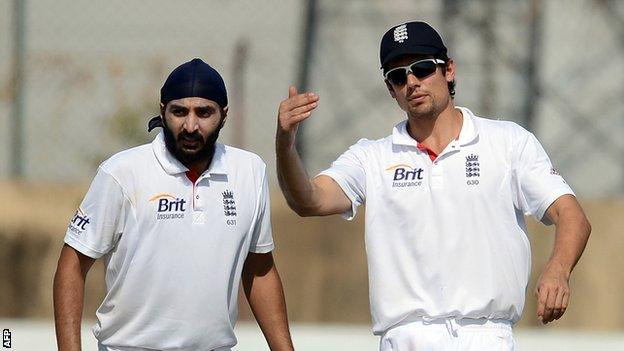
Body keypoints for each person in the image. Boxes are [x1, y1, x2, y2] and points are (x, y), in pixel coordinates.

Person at [275, 21, 591, 351]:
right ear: (391, 89)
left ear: (449, 70)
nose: (411, 82)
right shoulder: (372, 156)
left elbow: (571, 215)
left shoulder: (509, 142)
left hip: (486, 335)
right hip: (406, 337)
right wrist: (285, 145)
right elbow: (308, 200)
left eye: (422, 68)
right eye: (398, 76)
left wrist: (558, 270)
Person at [54, 58, 294, 351]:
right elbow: (72, 265)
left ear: (224, 115)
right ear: (162, 111)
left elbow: (259, 269)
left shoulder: (249, 171)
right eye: (179, 112)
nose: (190, 125)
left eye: (204, 112)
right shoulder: (122, 172)